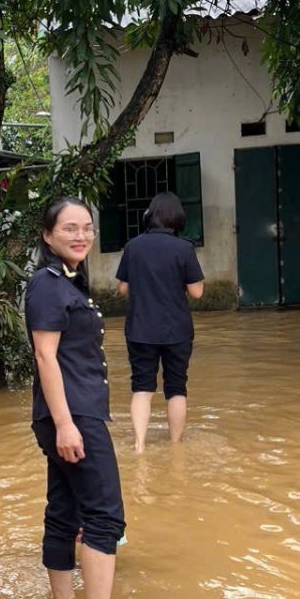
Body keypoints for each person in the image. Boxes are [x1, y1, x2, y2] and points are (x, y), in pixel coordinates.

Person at [24, 197, 126, 599]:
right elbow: (45, 357)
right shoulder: (48, 284)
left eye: (87, 227)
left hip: (67, 414)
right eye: (69, 228)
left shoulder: (66, 281)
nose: (81, 235)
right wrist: (66, 424)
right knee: (104, 516)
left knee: (64, 509)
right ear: (48, 235)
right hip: (73, 415)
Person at [115, 191, 205, 453]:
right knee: (176, 388)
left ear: (150, 216)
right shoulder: (184, 248)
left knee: (142, 387)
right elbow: (197, 292)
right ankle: (175, 447)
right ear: (177, 218)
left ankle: (139, 445)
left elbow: (122, 289)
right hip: (176, 330)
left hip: (140, 329)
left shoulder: (133, 247)